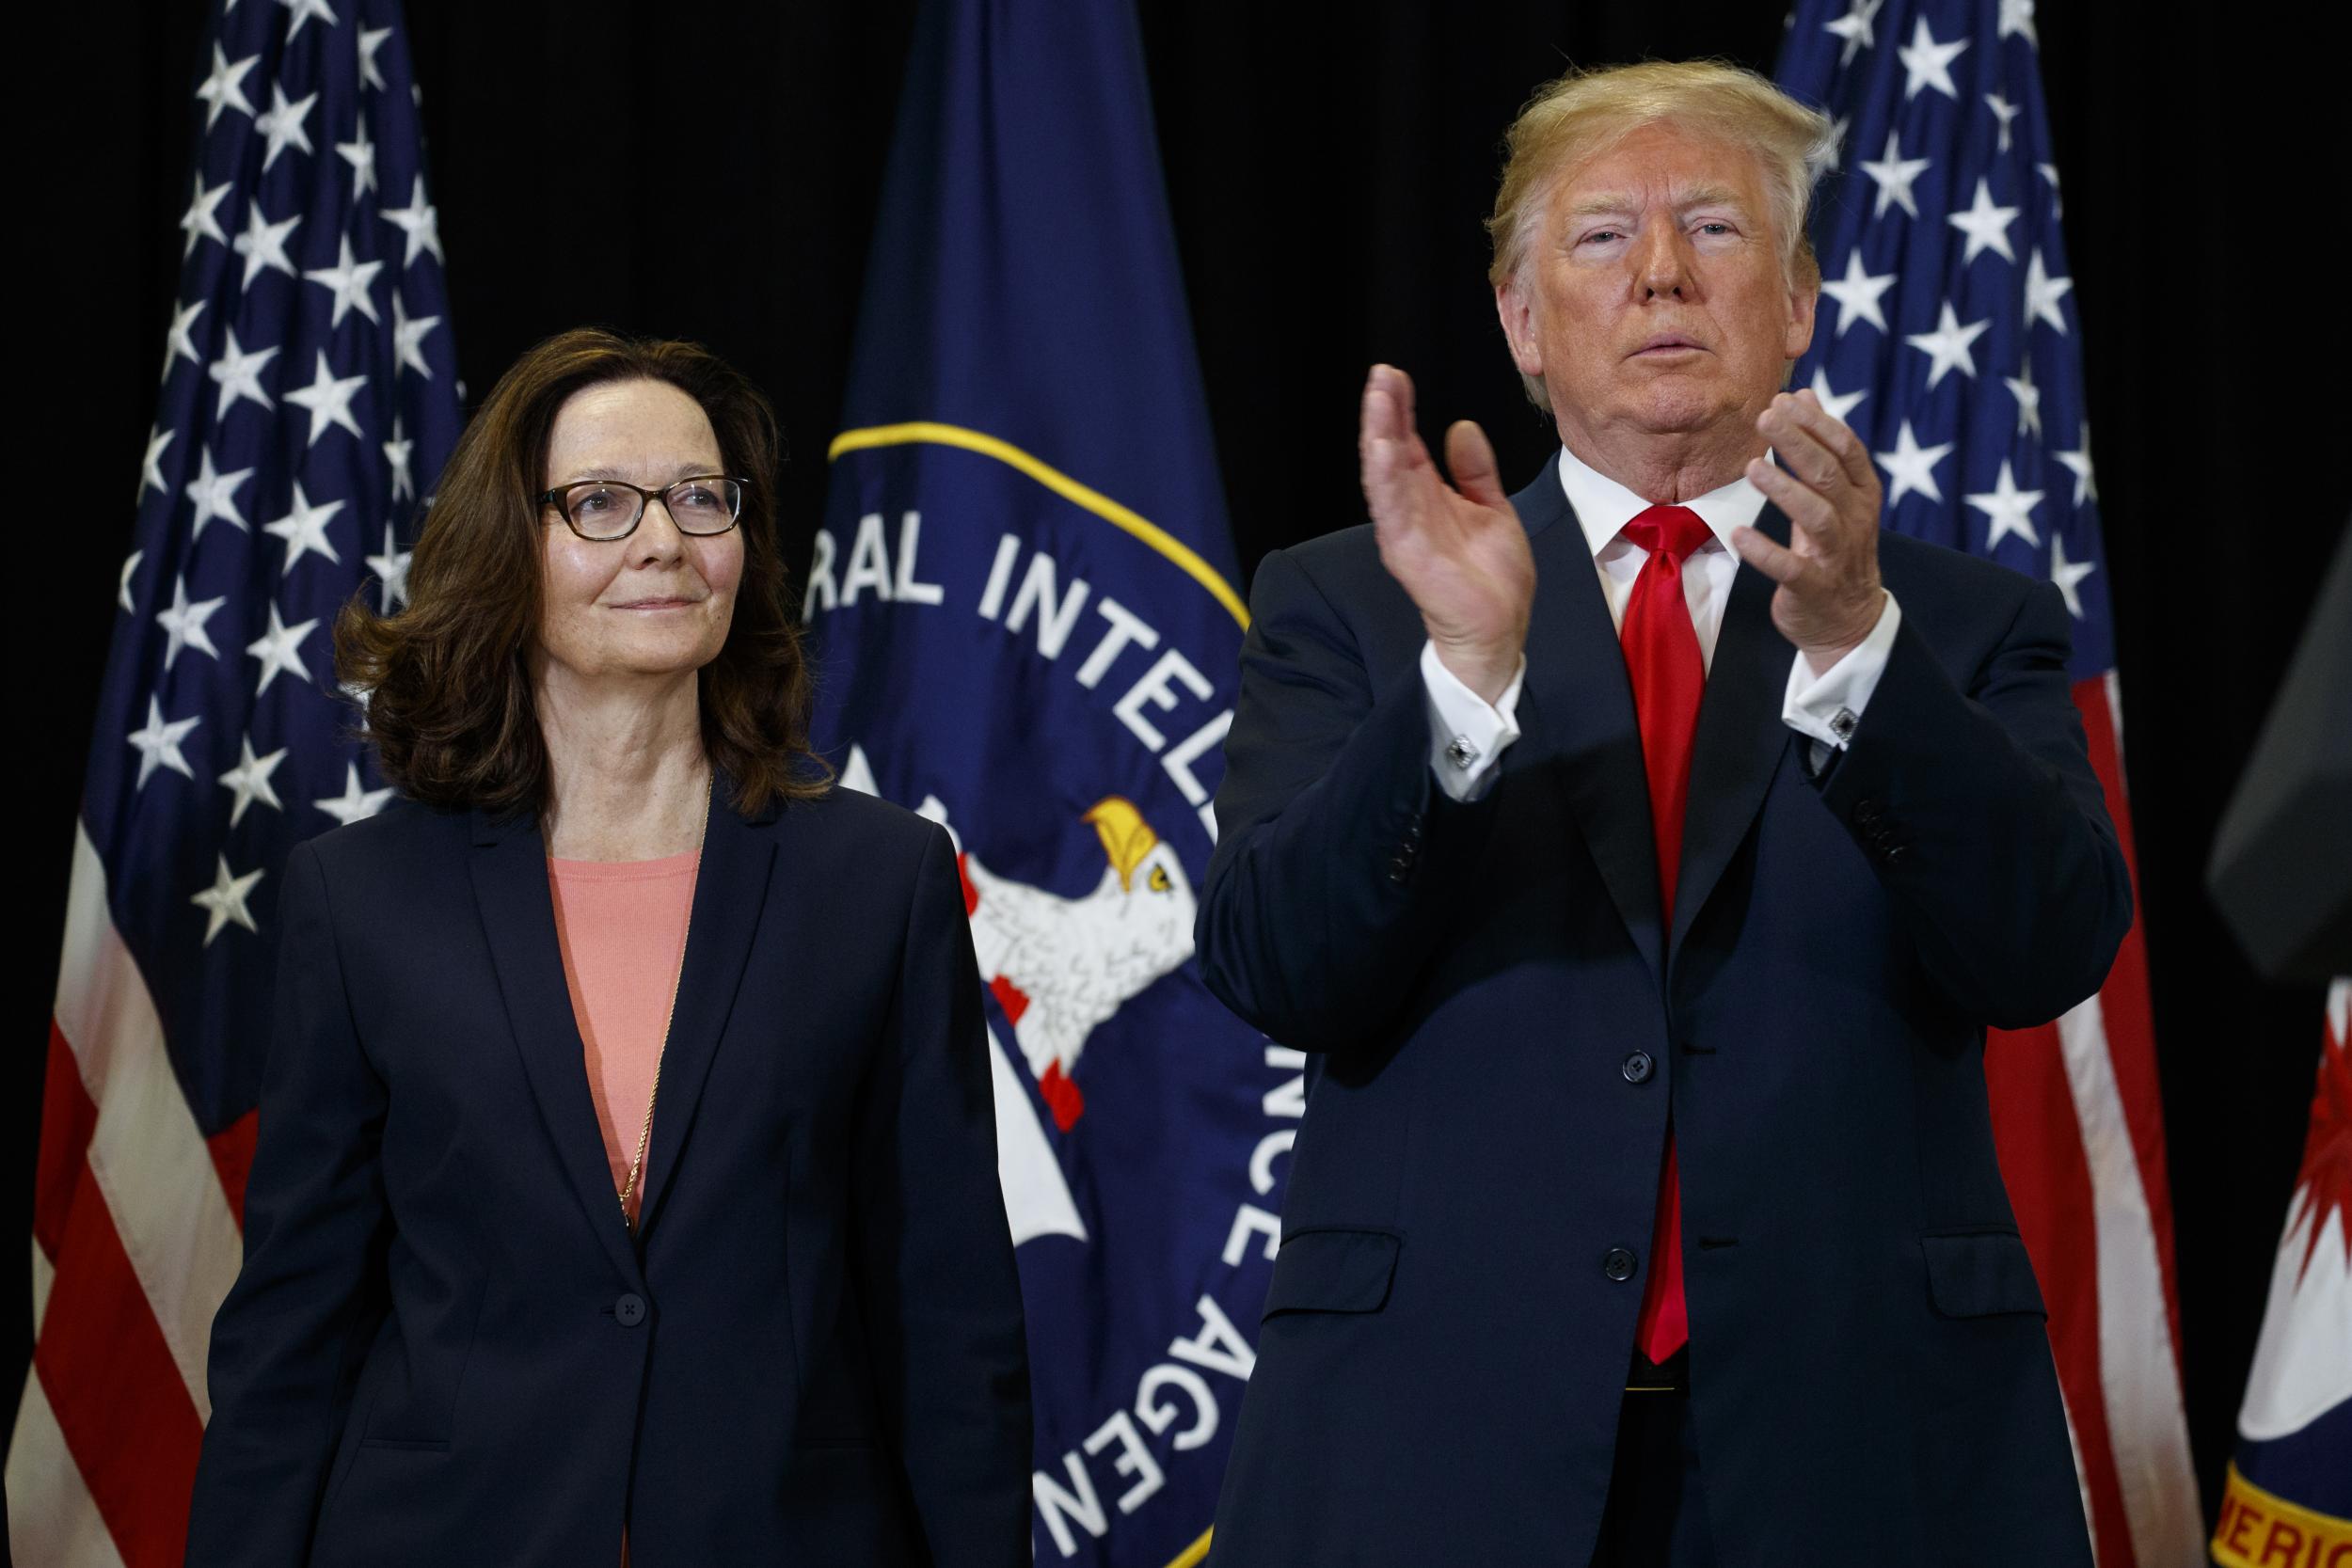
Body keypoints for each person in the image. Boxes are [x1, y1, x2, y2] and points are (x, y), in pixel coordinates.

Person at [1196, 61, 2125, 1567]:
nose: (1665, 276)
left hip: (1863, 1451)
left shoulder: (1958, 623)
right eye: (1603, 239)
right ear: (1518, 322)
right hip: (1441, 1444)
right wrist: (1465, 679)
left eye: (1714, 227)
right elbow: (1270, 966)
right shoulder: (1352, 604)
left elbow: (2047, 949)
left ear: (1803, 301)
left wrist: (1855, 649)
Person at [184, 329, 1031, 1566]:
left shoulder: (881, 882)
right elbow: (294, 1336)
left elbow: (950, 1320)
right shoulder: (358, 899)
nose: (664, 542)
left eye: (700, 497)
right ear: (505, 555)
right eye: (601, 503)